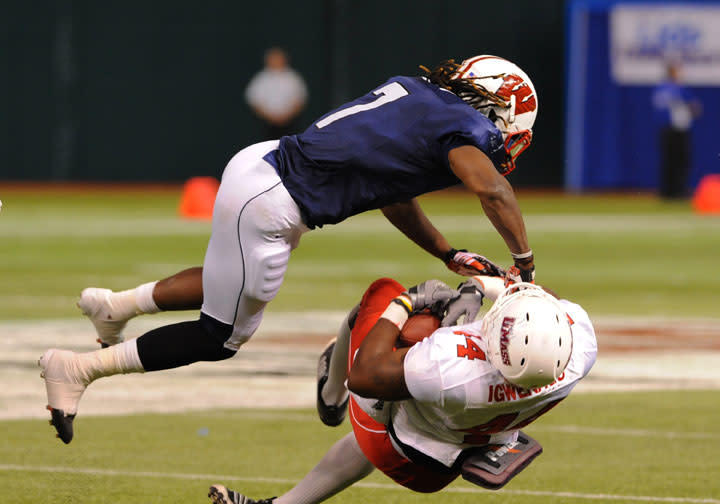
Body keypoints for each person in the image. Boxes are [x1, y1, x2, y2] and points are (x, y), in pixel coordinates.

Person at [39, 55, 540, 444]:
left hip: (262, 164)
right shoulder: (465, 129)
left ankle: (115, 307)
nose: (507, 142)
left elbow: (393, 194)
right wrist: (524, 265)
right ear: (497, 108)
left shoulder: (416, 93)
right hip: (276, 201)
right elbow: (492, 189)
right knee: (221, 337)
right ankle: (79, 369)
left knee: (228, 281)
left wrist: (446, 252)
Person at [207, 274, 598, 504]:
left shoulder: (449, 368)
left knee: (388, 302)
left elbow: (364, 374)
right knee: (408, 393)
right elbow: (538, 299)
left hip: (402, 452)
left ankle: (330, 394)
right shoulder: (577, 353)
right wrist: (478, 284)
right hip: (459, 447)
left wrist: (409, 300)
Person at [651, 61, 702, 199]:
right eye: (679, 71)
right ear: (673, 72)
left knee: (667, 161)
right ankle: (678, 192)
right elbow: (695, 107)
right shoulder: (678, 88)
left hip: (664, 130)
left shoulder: (660, 88)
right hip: (679, 130)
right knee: (681, 162)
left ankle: (666, 192)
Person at [245, 47, 308, 140]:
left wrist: (286, 117)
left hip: (290, 124)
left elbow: (300, 99)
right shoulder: (261, 78)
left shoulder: (293, 78)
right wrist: (270, 118)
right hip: (266, 125)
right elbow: (254, 101)